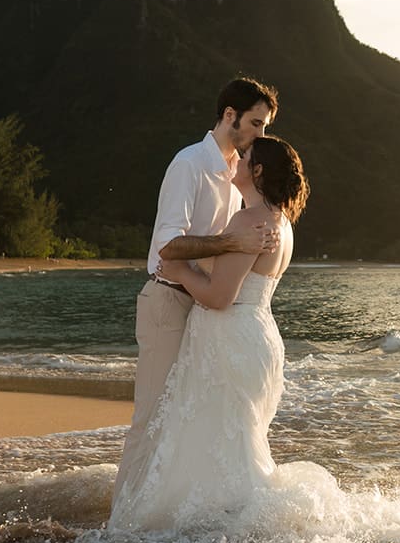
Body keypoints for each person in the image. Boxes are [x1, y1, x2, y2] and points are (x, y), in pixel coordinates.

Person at [109, 135, 314, 532]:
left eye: (246, 157)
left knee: (216, 438)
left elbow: (220, 297)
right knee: (235, 440)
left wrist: (182, 271)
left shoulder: (249, 220)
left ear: (257, 171)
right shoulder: (280, 223)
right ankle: (238, 524)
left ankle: (225, 529)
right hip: (259, 335)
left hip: (230, 338)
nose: (236, 159)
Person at [115, 77, 282, 492]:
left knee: (179, 422)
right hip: (169, 301)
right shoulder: (189, 164)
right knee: (151, 418)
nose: (262, 134)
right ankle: (122, 522)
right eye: (257, 124)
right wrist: (232, 241)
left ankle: (158, 508)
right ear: (230, 116)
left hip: (202, 309)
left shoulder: (235, 177)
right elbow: (167, 245)